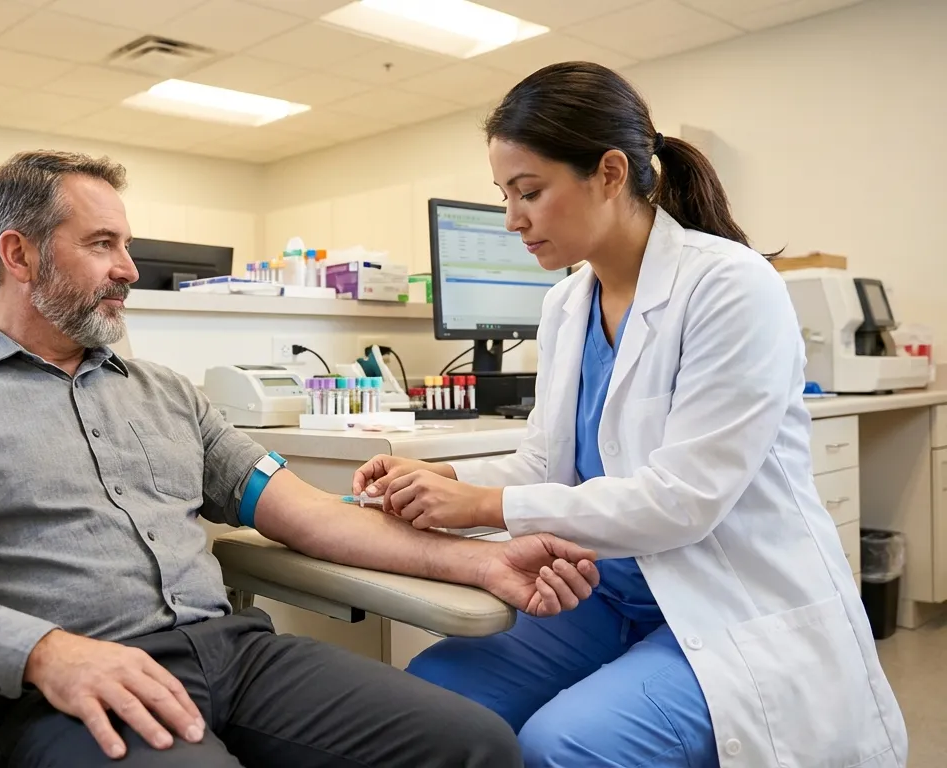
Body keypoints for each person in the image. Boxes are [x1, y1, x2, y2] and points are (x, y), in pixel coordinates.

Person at [0, 149, 604, 768]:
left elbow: (309, 515)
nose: (128, 267)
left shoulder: (167, 394)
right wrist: (45, 654)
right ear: (17, 256)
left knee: (474, 747)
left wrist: (479, 564)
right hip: (72, 692)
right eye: (101, 244)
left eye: (125, 243)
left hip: (234, 654)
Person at [352, 62, 907, 768]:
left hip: (725, 603)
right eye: (505, 195)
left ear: (610, 173)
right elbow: (546, 463)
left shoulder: (731, 286)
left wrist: (478, 503)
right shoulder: (566, 304)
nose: (512, 219)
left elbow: (683, 501)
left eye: (530, 192)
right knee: (432, 702)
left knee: (561, 747)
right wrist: (439, 477)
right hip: (607, 591)